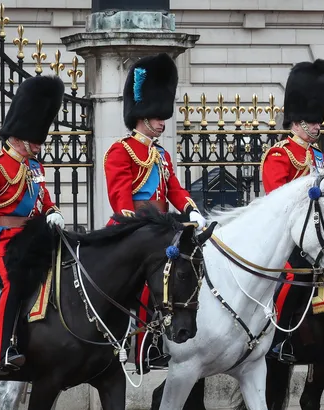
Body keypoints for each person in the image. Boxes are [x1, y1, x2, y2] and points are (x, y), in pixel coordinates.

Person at [103, 53, 205, 373]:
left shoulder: (160, 155)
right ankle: (141, 346)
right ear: (143, 115)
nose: (163, 122)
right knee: (151, 279)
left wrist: (192, 210)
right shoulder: (121, 151)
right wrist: (141, 227)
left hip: (160, 226)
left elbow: (174, 189)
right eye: (158, 116)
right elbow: (120, 198)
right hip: (132, 227)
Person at [0, 75, 66, 376]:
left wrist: (53, 212)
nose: (38, 145)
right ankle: (5, 349)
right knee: (13, 282)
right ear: (20, 136)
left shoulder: (34, 167)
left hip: (31, 240)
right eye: (35, 139)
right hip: (1, 243)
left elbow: (45, 200)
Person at [261, 59, 324, 363]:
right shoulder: (280, 154)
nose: (317, 125)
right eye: (312, 119)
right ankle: (279, 338)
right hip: (288, 236)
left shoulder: (319, 156)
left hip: (317, 234)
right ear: (297, 120)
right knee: (293, 276)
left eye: (318, 119)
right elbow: (275, 199)